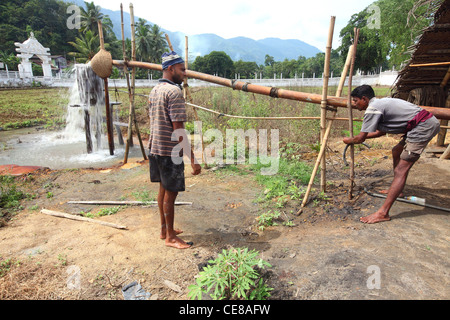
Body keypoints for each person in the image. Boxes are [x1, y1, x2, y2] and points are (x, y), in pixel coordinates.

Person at [343, 85, 440, 224]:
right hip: (419, 125)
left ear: (364, 99)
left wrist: (349, 140)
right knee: (396, 151)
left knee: (402, 168)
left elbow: (361, 138)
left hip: (423, 126)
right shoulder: (379, 104)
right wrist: (356, 139)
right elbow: (380, 132)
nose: (354, 104)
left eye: (355, 100)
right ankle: (397, 190)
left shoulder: (373, 108)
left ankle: (383, 213)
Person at [148, 51, 201, 249]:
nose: (185, 73)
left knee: (163, 189)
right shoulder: (174, 92)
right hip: (169, 151)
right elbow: (178, 130)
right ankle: (170, 237)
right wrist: (193, 160)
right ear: (171, 69)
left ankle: (164, 229)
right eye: (182, 69)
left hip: (155, 147)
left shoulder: (155, 90)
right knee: (171, 193)